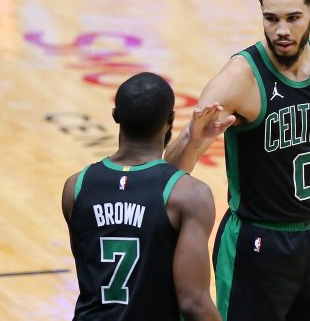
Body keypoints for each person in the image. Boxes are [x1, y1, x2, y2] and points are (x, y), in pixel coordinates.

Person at [164, 0, 310, 321]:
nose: (281, 30)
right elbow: (169, 175)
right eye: (271, 18)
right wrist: (190, 139)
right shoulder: (238, 79)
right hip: (255, 244)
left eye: (293, 18)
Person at [62, 72, 221, 321]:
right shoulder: (190, 195)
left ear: (115, 116)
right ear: (171, 119)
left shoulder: (76, 188)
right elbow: (194, 304)